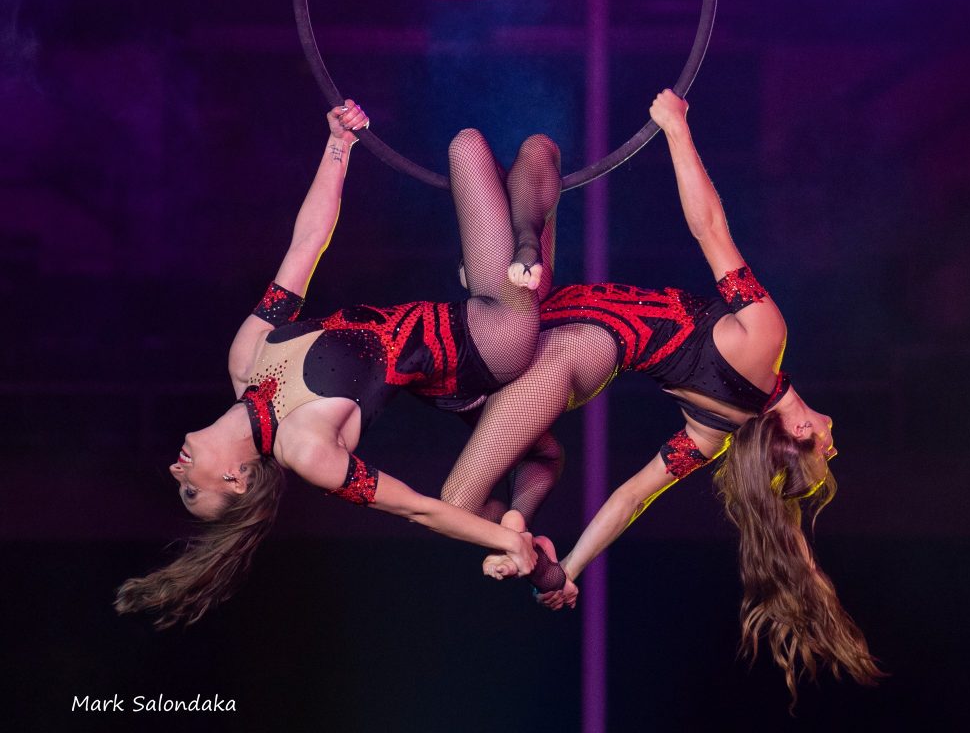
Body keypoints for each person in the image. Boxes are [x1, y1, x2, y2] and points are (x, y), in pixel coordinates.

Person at [447, 90, 881, 705]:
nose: (834, 448)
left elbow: (710, 229)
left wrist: (676, 128)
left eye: (824, 455)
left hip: (555, 354)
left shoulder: (763, 343)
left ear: (803, 433)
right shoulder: (714, 433)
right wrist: (570, 569)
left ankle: (514, 535)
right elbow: (629, 500)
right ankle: (519, 525)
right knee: (538, 154)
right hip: (547, 310)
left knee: (455, 506)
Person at [115, 101, 563, 628]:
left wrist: (338, 145)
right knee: (468, 149)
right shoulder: (306, 450)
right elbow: (417, 508)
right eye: (192, 489)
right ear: (236, 480)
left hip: (470, 315)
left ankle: (544, 561)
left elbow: (306, 245)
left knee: (527, 155)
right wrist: (506, 542)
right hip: (490, 340)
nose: (177, 470)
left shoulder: (245, 358)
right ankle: (529, 545)